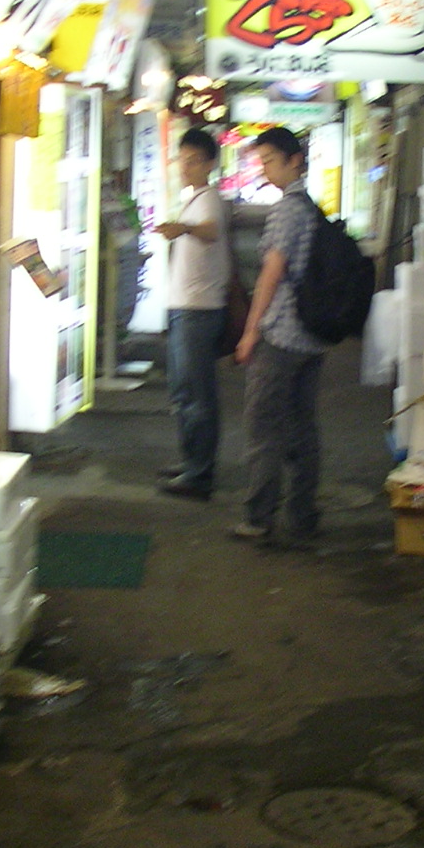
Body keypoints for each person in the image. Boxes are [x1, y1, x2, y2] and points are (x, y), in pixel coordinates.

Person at [231, 126, 330, 544]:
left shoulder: (288, 209)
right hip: (312, 336)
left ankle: (259, 517)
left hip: (282, 335)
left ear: (294, 161)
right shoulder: (311, 208)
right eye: (262, 161)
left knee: (264, 427)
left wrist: (250, 331)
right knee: (302, 426)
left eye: (270, 160)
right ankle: (303, 515)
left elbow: (272, 272)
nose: (265, 169)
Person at [152, 128, 232, 500]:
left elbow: (211, 231)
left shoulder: (209, 199)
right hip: (186, 309)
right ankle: (191, 462)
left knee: (197, 395)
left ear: (210, 163)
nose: (185, 167)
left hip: (198, 311)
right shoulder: (196, 198)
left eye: (194, 161)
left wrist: (182, 227)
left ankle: (199, 474)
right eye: (182, 160)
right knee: (184, 392)